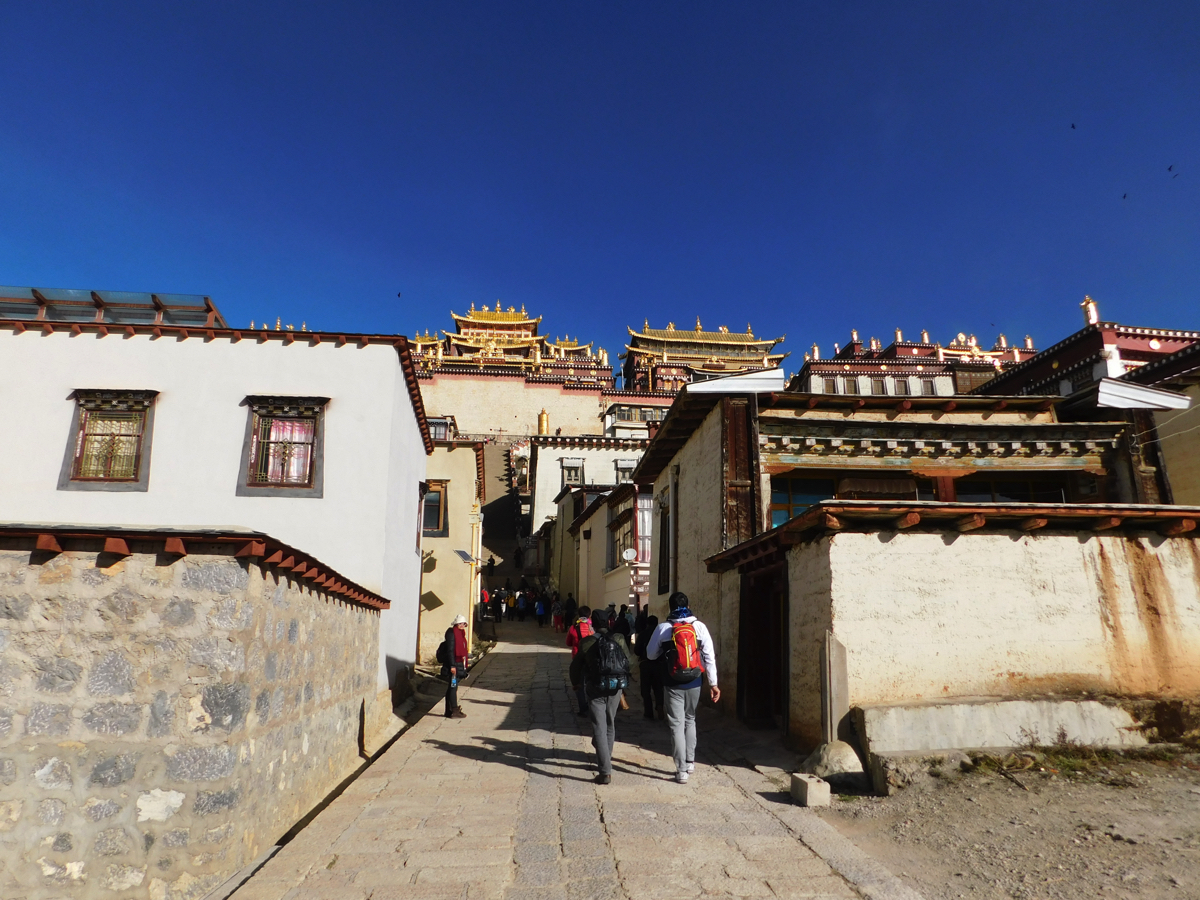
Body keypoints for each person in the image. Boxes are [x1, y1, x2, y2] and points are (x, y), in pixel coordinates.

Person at [646, 592, 719, 784]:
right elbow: (709, 657)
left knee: (676, 724)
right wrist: (713, 683)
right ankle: (690, 761)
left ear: (670, 607)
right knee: (690, 719)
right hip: (695, 680)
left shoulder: (664, 628)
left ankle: (681, 771)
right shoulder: (699, 627)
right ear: (688, 605)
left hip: (672, 682)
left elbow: (650, 655)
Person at [569, 610, 634, 784]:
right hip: (615, 687)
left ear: (594, 624)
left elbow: (575, 666)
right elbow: (630, 662)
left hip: (595, 687)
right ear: (609, 622)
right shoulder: (619, 638)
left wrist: (576, 683)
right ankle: (606, 758)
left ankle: (605, 770)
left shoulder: (587, 642)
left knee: (599, 726)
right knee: (610, 723)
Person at [438, 615, 469, 719]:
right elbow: (450, 651)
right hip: (454, 666)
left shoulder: (460, 634)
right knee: (453, 687)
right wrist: (452, 666)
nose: (462, 625)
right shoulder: (452, 634)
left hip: (458, 664)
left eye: (463, 623)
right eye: (460, 623)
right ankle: (454, 710)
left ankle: (449, 711)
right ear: (456, 624)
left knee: (451, 688)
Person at [635, 613, 664, 720]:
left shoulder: (643, 634)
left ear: (647, 624)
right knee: (658, 688)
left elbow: (637, 650)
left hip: (645, 664)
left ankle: (648, 712)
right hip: (659, 664)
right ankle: (659, 705)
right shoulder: (661, 634)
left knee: (645, 689)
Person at [565, 605, 593, 715]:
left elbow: (568, 643)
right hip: (590, 658)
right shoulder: (591, 627)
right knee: (591, 682)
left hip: (577, 658)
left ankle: (582, 707)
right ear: (589, 615)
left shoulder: (573, 628)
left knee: (578, 683)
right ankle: (594, 706)